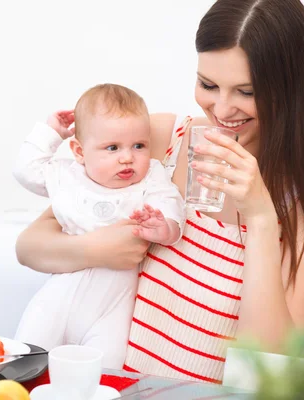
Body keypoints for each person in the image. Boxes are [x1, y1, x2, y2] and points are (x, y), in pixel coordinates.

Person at [14, 0, 304, 384]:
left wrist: (260, 218)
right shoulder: (160, 141)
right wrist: (102, 248)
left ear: (290, 90)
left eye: (246, 92)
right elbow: (30, 245)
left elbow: (268, 371)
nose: (222, 109)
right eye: (208, 85)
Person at [11, 83, 185, 368]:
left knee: (106, 370)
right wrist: (50, 133)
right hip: (60, 295)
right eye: (112, 147)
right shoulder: (69, 176)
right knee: (28, 359)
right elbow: (26, 171)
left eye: (138, 145)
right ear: (80, 151)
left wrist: (164, 226)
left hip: (113, 306)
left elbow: (171, 203)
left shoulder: (150, 177)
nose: (127, 157)